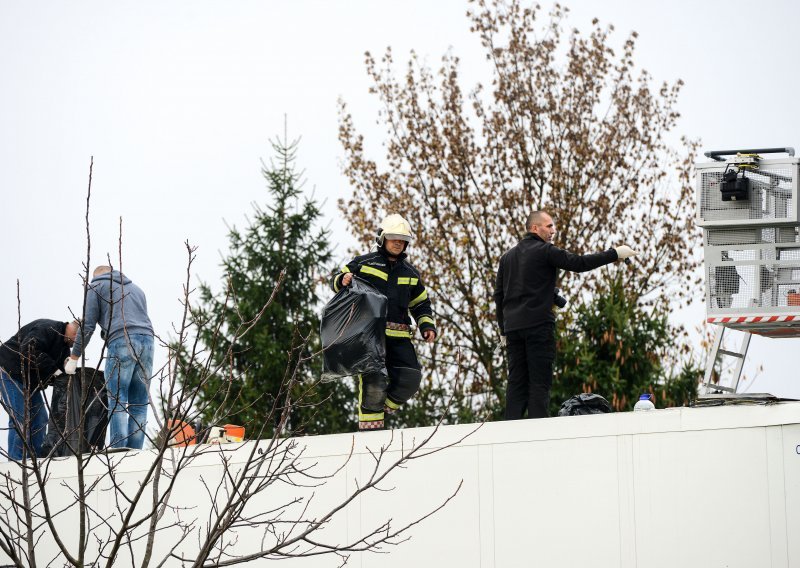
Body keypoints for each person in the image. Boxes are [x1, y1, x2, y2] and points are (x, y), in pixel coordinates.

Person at [494, 210, 637, 420]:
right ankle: (539, 434)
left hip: (513, 330)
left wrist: (503, 331)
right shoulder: (545, 251)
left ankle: (510, 434)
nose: (553, 231)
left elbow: (499, 296)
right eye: (549, 226)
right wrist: (614, 253)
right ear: (535, 228)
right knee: (539, 384)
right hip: (538, 327)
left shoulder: (506, 258)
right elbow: (579, 264)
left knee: (516, 384)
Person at [331, 214, 436, 430]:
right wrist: (342, 280)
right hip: (370, 338)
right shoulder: (364, 263)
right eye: (394, 238)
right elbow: (337, 279)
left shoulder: (411, 274)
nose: (398, 243)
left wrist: (427, 325)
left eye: (402, 239)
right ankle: (370, 435)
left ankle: (382, 411)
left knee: (411, 379)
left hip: (400, 338)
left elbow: (421, 304)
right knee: (374, 385)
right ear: (382, 238)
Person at [67, 266, 154, 449]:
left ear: (96, 276)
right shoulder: (137, 289)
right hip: (147, 342)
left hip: (122, 341)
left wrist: (74, 357)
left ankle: (119, 450)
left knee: (117, 399)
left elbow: (88, 325)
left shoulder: (96, 287)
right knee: (139, 402)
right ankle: (135, 450)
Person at [0, 319, 78, 460]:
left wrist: (66, 372)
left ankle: (35, 461)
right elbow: (28, 349)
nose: (77, 346)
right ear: (75, 333)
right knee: (20, 418)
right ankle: (17, 461)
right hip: (11, 371)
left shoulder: (63, 347)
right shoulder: (48, 328)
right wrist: (54, 370)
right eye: (79, 341)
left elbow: (57, 372)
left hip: (30, 381)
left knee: (39, 418)